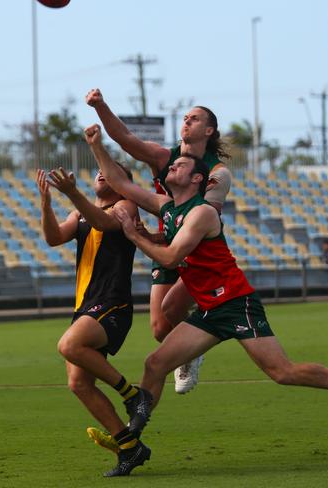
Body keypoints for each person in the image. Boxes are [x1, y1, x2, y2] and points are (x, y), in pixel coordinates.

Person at [83, 123, 328, 440]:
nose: (172, 164)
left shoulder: (201, 213)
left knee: (282, 372)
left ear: (196, 178)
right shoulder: (168, 207)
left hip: (235, 303)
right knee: (155, 364)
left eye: (180, 165)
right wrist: (96, 145)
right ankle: (131, 440)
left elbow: (171, 258)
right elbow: (120, 182)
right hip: (209, 310)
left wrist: (135, 235)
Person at [86, 88, 233, 394]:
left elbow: (204, 217)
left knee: (170, 307)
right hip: (167, 244)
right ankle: (195, 347)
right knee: (158, 328)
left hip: (197, 249)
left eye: (194, 118)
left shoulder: (217, 173)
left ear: (209, 130)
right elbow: (126, 139)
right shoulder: (165, 157)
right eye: (185, 118)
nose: (187, 121)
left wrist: (163, 234)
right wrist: (100, 106)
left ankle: (202, 334)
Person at [36, 165, 152, 477]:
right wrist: (46, 204)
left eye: (110, 172)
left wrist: (73, 193)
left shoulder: (125, 206)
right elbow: (53, 237)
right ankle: (129, 446)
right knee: (78, 383)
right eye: (99, 171)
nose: (101, 173)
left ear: (121, 182)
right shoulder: (81, 214)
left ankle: (133, 394)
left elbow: (104, 223)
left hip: (112, 302)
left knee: (68, 345)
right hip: (86, 306)